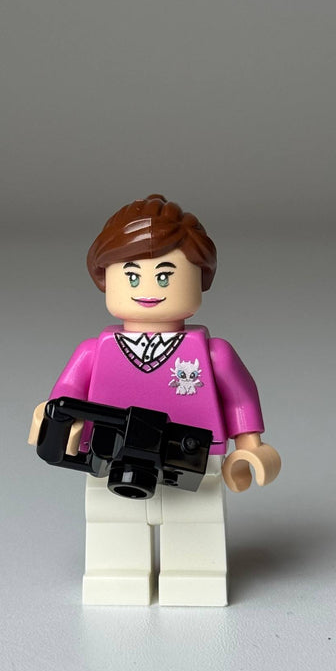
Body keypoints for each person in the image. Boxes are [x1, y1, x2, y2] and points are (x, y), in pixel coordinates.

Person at [28, 194, 280, 606]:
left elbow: (240, 396)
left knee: (195, 522)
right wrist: (52, 417)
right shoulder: (95, 351)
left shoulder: (212, 353)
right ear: (105, 279)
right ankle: (118, 577)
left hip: (193, 455)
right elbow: (66, 394)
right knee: (113, 522)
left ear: (200, 278)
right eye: (132, 277)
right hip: (111, 454)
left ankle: (195, 577)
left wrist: (250, 446)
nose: (148, 290)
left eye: (165, 277)